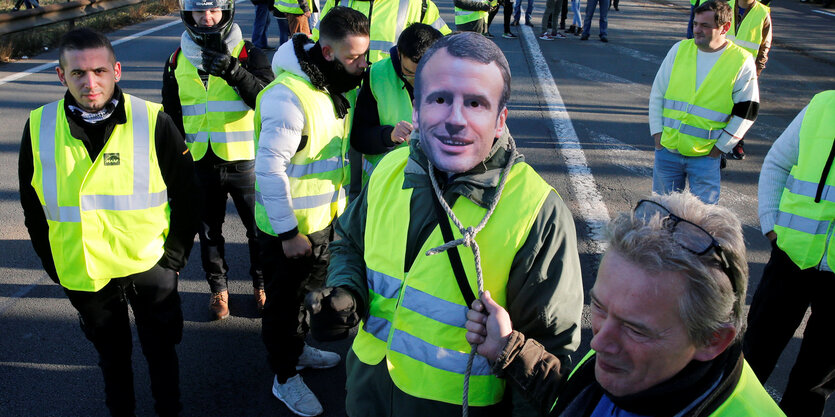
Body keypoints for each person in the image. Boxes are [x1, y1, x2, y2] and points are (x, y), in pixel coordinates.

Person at [314, 32, 584, 416]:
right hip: (366, 392)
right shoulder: (391, 169)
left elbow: (552, 359)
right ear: (418, 110)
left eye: (475, 103)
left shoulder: (538, 211)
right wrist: (347, 290)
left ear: (499, 118)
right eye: (440, 99)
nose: (456, 119)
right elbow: (349, 243)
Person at [466, 192, 785, 417]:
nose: (599, 342)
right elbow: (579, 400)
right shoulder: (637, 358)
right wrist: (508, 349)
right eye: (600, 308)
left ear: (712, 340)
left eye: (636, 330)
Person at [19, 28, 199, 417]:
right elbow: (32, 207)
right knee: (113, 361)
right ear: (61, 75)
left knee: (161, 354)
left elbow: (187, 193)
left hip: (149, 265)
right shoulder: (38, 126)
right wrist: (54, 264)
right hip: (84, 271)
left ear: (116, 70)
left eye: (99, 71)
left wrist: (174, 260)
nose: (90, 82)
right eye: (78, 73)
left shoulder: (152, 119)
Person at [254, 7, 369, 416]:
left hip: (321, 224)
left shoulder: (328, 85)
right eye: (353, 57)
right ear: (325, 52)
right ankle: (284, 377)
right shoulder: (289, 96)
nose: (362, 65)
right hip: (289, 234)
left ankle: (298, 352)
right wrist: (288, 233)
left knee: (307, 299)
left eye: (364, 54)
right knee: (283, 309)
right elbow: (269, 170)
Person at [161, 0, 274, 319]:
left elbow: (268, 101)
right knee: (209, 232)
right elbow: (171, 115)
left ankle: (261, 286)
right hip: (200, 161)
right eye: (199, 10)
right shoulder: (175, 60)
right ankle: (219, 290)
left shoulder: (249, 54)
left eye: (213, 10)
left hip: (245, 161)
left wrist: (236, 73)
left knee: (258, 230)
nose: (207, 17)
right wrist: (173, 165)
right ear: (188, 13)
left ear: (226, 11)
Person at [744, 90, 835, 417]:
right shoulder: (823, 105)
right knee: (754, 354)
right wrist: (771, 223)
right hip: (792, 256)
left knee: (816, 377)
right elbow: (777, 162)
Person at [649, 0, 758, 204]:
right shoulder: (679, 49)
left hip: (706, 157)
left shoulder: (741, 61)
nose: (697, 30)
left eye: (705, 26)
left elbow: (748, 112)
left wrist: (720, 148)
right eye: (695, 24)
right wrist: (657, 136)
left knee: (702, 224)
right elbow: (657, 94)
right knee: (661, 218)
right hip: (667, 152)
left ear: (724, 28)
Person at [350, 23, 443, 188]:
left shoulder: (453, 77)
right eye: (409, 72)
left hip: (436, 187)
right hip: (384, 186)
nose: (417, 80)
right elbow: (359, 137)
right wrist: (389, 136)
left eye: (425, 73)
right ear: (399, 54)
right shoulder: (377, 75)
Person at [315, 0, 450, 64]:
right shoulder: (337, 1)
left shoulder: (419, 5)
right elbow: (316, 44)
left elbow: (448, 48)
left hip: (391, 98)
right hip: (344, 97)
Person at [725, 0, 772, 160]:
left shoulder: (762, 12)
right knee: (719, 105)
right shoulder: (726, 5)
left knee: (741, 109)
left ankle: (737, 142)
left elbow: (764, 46)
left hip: (746, 71)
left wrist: (756, 71)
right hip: (721, 67)